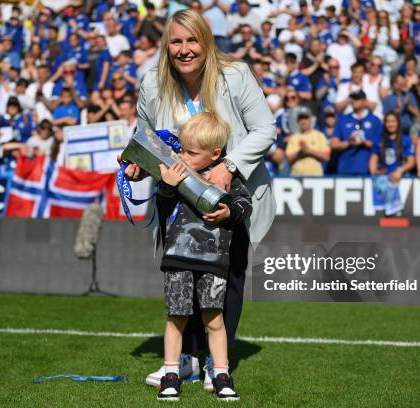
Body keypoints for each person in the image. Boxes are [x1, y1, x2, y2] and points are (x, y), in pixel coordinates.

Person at [126, 9, 276, 390]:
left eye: (192, 40)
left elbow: (265, 129)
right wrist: (138, 163)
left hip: (231, 192)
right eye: (176, 41)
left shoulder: (235, 75)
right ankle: (186, 359)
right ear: (167, 45)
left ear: (206, 43)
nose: (184, 49)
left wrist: (229, 165)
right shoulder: (152, 82)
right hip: (175, 198)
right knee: (181, 273)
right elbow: (147, 138)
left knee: (227, 274)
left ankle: (215, 362)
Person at [155, 112, 249, 401]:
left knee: (214, 319)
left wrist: (229, 211)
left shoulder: (227, 176)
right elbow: (162, 203)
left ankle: (221, 372)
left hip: (214, 262)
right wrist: (167, 186)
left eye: (192, 152)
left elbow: (245, 204)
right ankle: (171, 373)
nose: (183, 155)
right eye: (182, 149)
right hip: (178, 258)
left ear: (216, 154)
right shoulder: (174, 171)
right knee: (176, 317)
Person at [331, 90, 382, 175]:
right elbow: (334, 144)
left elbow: (381, 145)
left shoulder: (375, 121)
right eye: (352, 99)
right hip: (345, 168)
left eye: (357, 98)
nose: (354, 101)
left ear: (364, 101)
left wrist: (364, 142)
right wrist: (349, 143)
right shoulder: (343, 120)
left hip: (367, 168)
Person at [285, 106, 331, 176]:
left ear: (310, 120)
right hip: (297, 176)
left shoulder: (319, 135)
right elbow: (289, 159)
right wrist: (300, 152)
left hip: (316, 176)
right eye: (301, 118)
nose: (303, 121)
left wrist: (309, 151)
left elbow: (326, 156)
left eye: (306, 118)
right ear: (297, 121)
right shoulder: (293, 138)